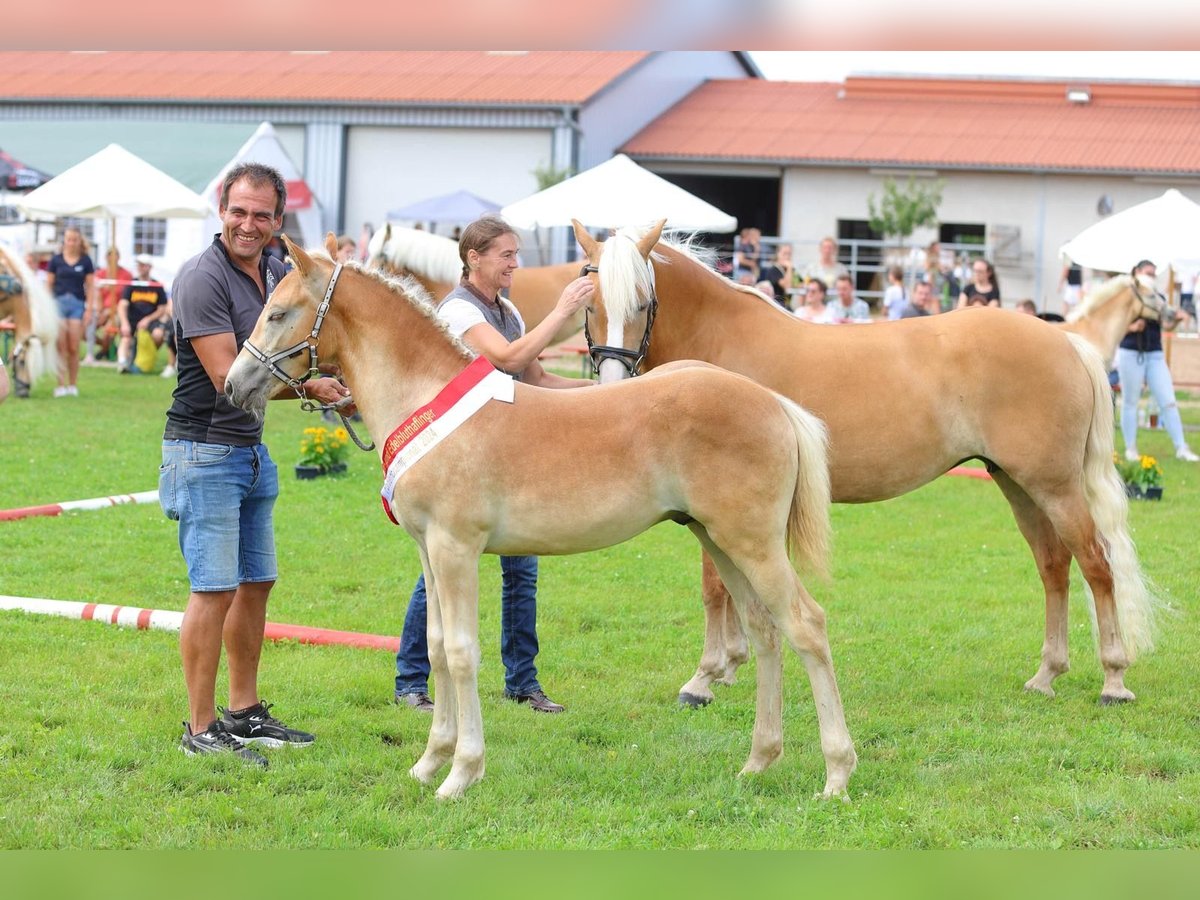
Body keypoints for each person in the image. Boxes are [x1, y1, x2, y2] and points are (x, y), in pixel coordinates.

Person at [162, 162, 353, 766]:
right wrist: (312, 389)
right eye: (239, 211)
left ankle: (242, 713)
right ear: (222, 211)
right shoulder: (201, 278)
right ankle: (199, 727)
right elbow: (227, 378)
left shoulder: (275, 269)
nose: (249, 224)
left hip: (249, 452)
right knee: (212, 590)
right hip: (202, 450)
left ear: (278, 220)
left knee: (256, 583)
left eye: (262, 214)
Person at [394, 214, 595, 715]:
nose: (515, 262)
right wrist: (562, 309)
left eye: (515, 253)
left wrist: (607, 393)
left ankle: (523, 682)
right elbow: (506, 360)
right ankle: (410, 681)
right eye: (506, 254)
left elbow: (537, 379)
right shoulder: (458, 313)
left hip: (506, 455)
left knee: (521, 571)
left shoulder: (506, 309)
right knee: (438, 576)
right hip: (460, 462)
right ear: (474, 257)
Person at [1116, 259, 1199, 463]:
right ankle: (1131, 448)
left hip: (1154, 353)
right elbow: (1114, 328)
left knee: (1168, 400)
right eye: (1148, 272)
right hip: (1130, 352)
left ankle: (1181, 447)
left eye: (1154, 273)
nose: (1151, 276)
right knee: (1130, 402)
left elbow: (1166, 326)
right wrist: (1133, 327)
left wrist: (1178, 319)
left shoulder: (1158, 297)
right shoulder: (1126, 297)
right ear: (1136, 272)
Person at [46, 226, 95, 396]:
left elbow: (90, 286)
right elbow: (48, 285)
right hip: (58, 304)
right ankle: (60, 385)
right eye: (68, 239)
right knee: (60, 346)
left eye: (75, 239)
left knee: (73, 346)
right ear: (64, 240)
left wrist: (89, 309)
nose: (71, 242)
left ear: (79, 241)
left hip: (76, 305)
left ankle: (72, 384)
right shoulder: (56, 260)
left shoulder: (86, 261)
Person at [117, 254, 170, 373]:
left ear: (150, 267)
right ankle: (122, 364)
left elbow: (162, 308)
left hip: (151, 321)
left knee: (158, 335)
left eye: (144, 265)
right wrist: (124, 323)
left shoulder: (156, 286)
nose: (141, 268)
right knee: (126, 338)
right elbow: (122, 305)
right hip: (132, 319)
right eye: (139, 265)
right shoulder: (131, 284)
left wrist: (148, 319)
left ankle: (148, 358)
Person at [760, 243, 796, 309]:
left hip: (786, 305)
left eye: (789, 254)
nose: (787, 257)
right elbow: (787, 287)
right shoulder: (774, 270)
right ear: (778, 254)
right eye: (784, 253)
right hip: (775, 305)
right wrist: (789, 268)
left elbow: (801, 284)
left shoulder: (790, 270)